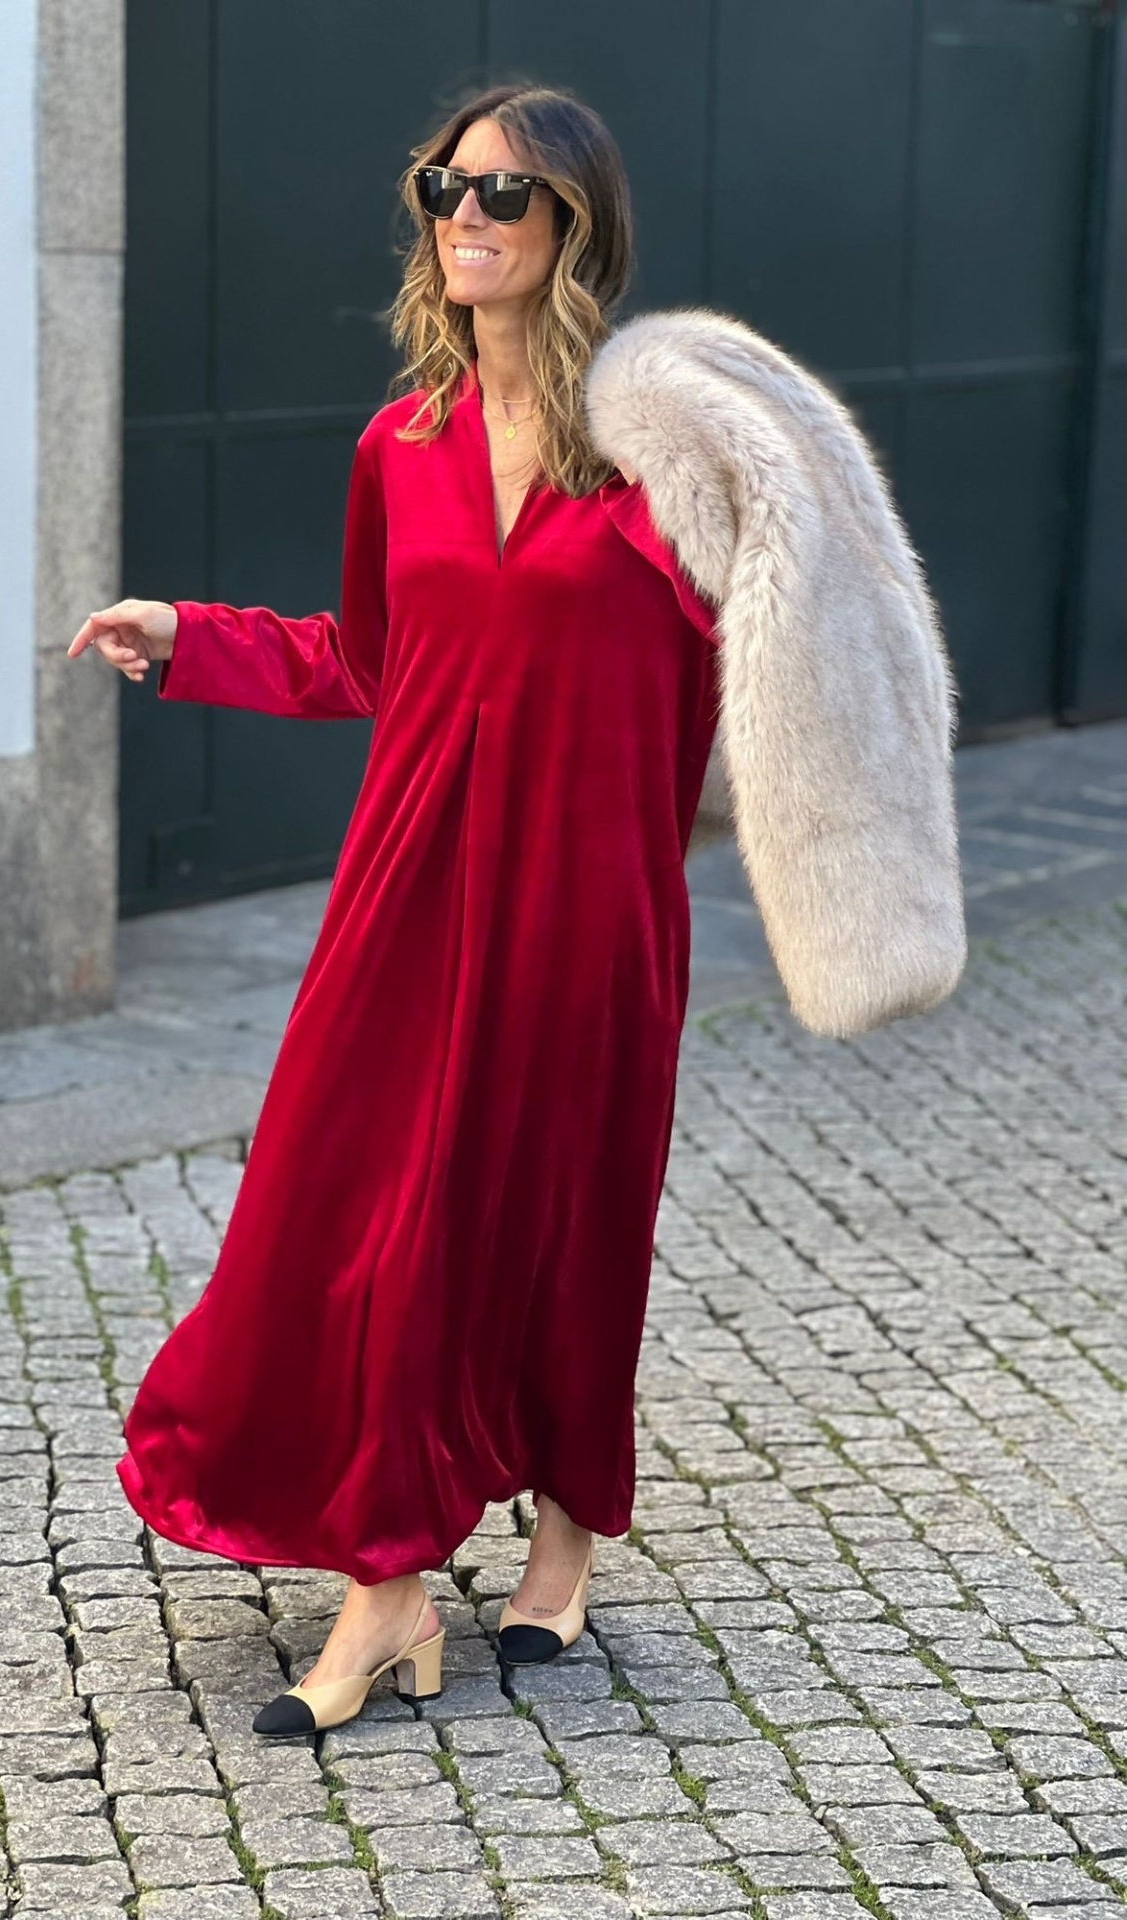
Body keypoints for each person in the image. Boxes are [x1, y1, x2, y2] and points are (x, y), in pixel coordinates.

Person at [67, 83, 963, 1738]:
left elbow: (781, 679)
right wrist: (189, 635)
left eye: (506, 195)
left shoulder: (661, 471)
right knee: (350, 1214)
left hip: (589, 903)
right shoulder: (395, 448)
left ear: (575, 230)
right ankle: (388, 1570)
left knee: (560, 1212)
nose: (464, 216)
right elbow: (368, 659)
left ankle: (564, 1529)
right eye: (444, 186)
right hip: (408, 892)